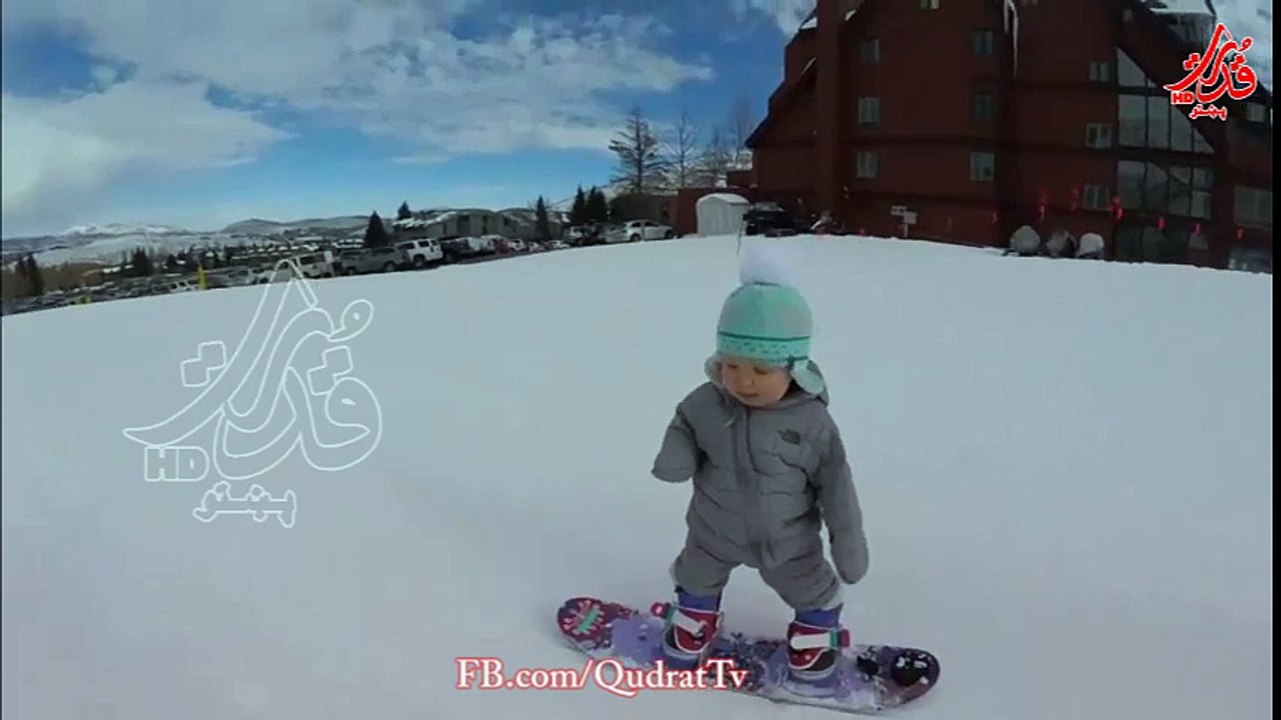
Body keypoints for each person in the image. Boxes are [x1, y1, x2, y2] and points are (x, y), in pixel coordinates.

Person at [650, 244, 869, 688]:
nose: (743, 380)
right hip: (713, 530)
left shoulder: (812, 422)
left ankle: (814, 634)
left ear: (795, 367)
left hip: (787, 540)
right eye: (731, 365)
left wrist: (847, 540)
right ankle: (695, 621)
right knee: (695, 574)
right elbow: (684, 423)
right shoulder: (707, 403)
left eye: (761, 369)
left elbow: (836, 484)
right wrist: (676, 455)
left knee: (812, 588)